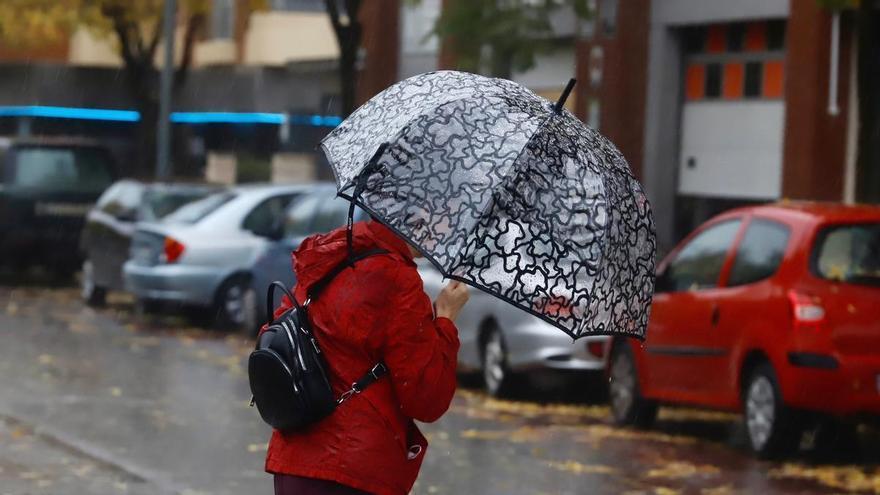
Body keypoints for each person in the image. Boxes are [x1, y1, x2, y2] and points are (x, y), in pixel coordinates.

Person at [261, 218, 469, 495]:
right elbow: (426, 398)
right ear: (419, 216)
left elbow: (279, 332)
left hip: (295, 459)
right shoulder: (397, 279)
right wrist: (446, 320)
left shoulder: (329, 255)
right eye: (447, 218)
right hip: (355, 469)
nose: (450, 230)